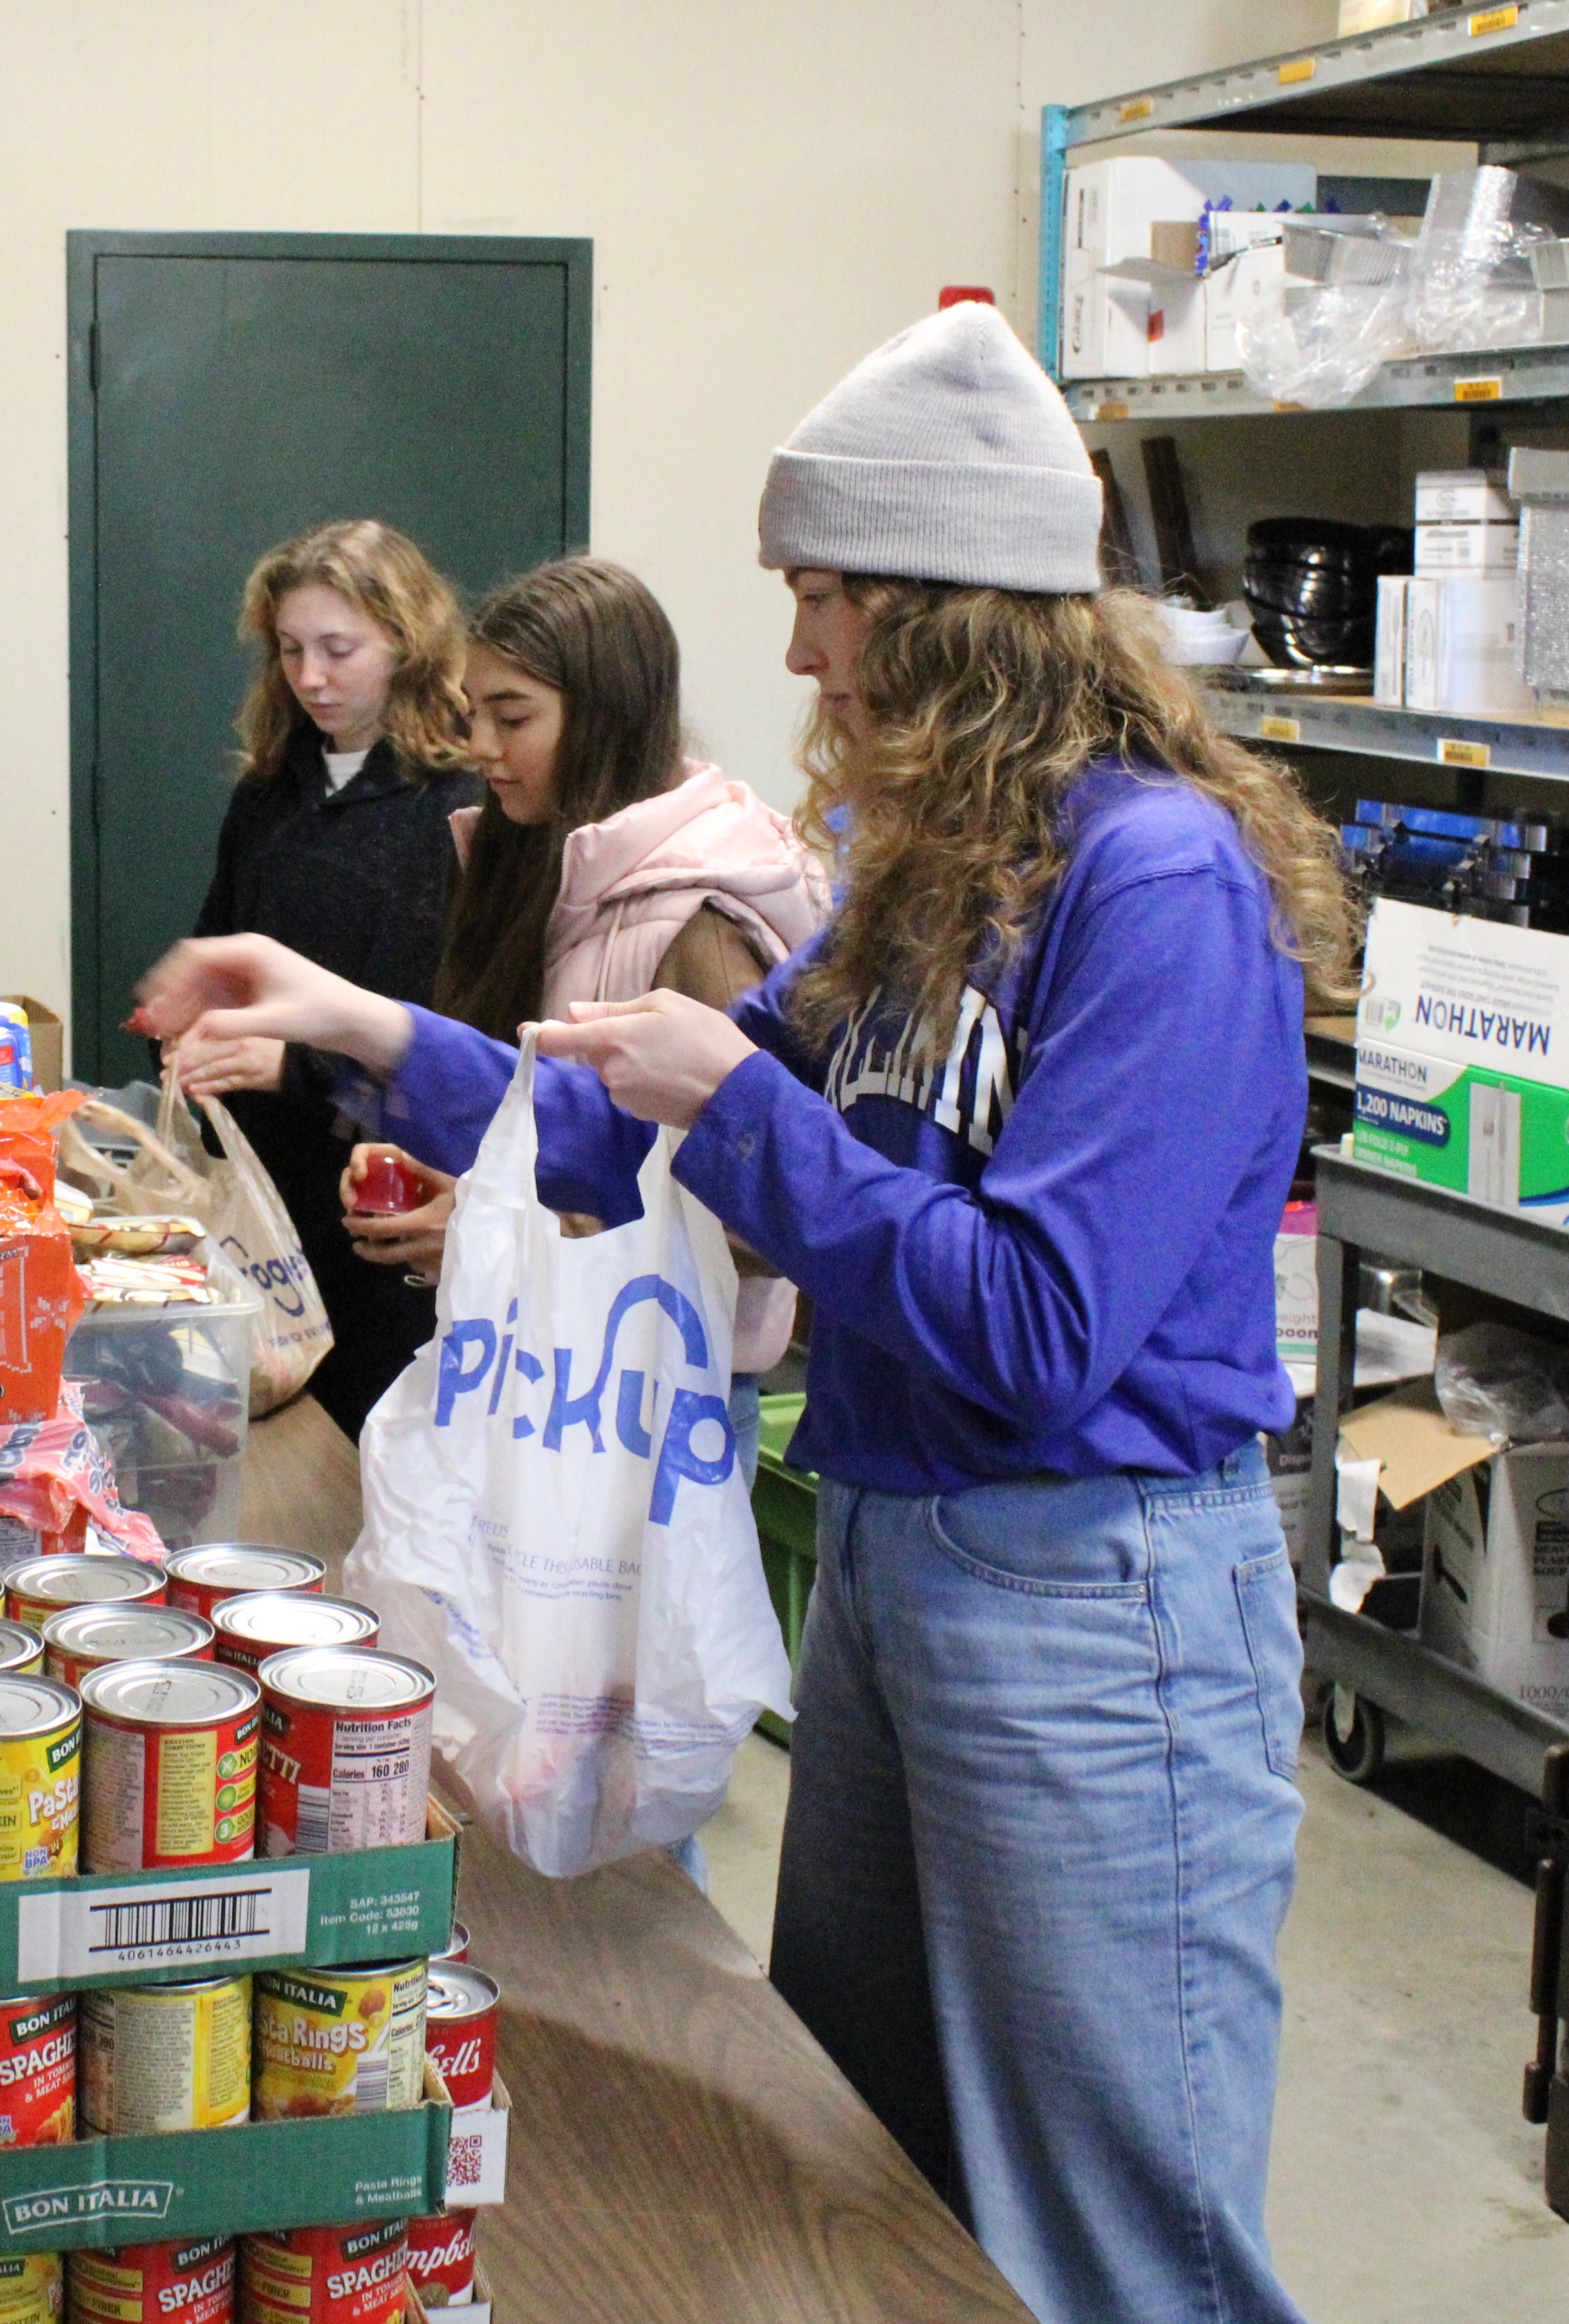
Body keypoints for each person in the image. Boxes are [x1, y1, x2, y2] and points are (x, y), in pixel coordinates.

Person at [136, 304, 1342, 2324]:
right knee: (870, 2145)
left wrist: (750, 1108)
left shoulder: (1160, 891)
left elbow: (1037, 1322)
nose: (799, 656)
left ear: (957, 615)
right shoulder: (924, 867)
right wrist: (349, 1024)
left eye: (826, 599)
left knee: (1112, 2216)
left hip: (1090, 1590)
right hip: (890, 1563)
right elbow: (608, 1128)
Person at [339, 555, 826, 1419]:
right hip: (535, 1366)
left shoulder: (698, 915)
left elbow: (755, 1219)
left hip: (652, 1402)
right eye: (472, 712)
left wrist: (505, 1231)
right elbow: (538, 1130)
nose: (480, 747)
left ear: (607, 718)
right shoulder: (531, 860)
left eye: (512, 717)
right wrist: (446, 1183)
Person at [170, 519, 483, 1432]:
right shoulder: (271, 792)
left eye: (339, 650)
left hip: (388, 1207)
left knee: (374, 1447)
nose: (311, 678)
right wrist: (190, 1025)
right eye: (293, 650)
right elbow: (218, 949)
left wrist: (289, 1066)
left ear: (409, 641)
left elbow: (447, 1034)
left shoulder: (460, 804)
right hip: (269, 1205)